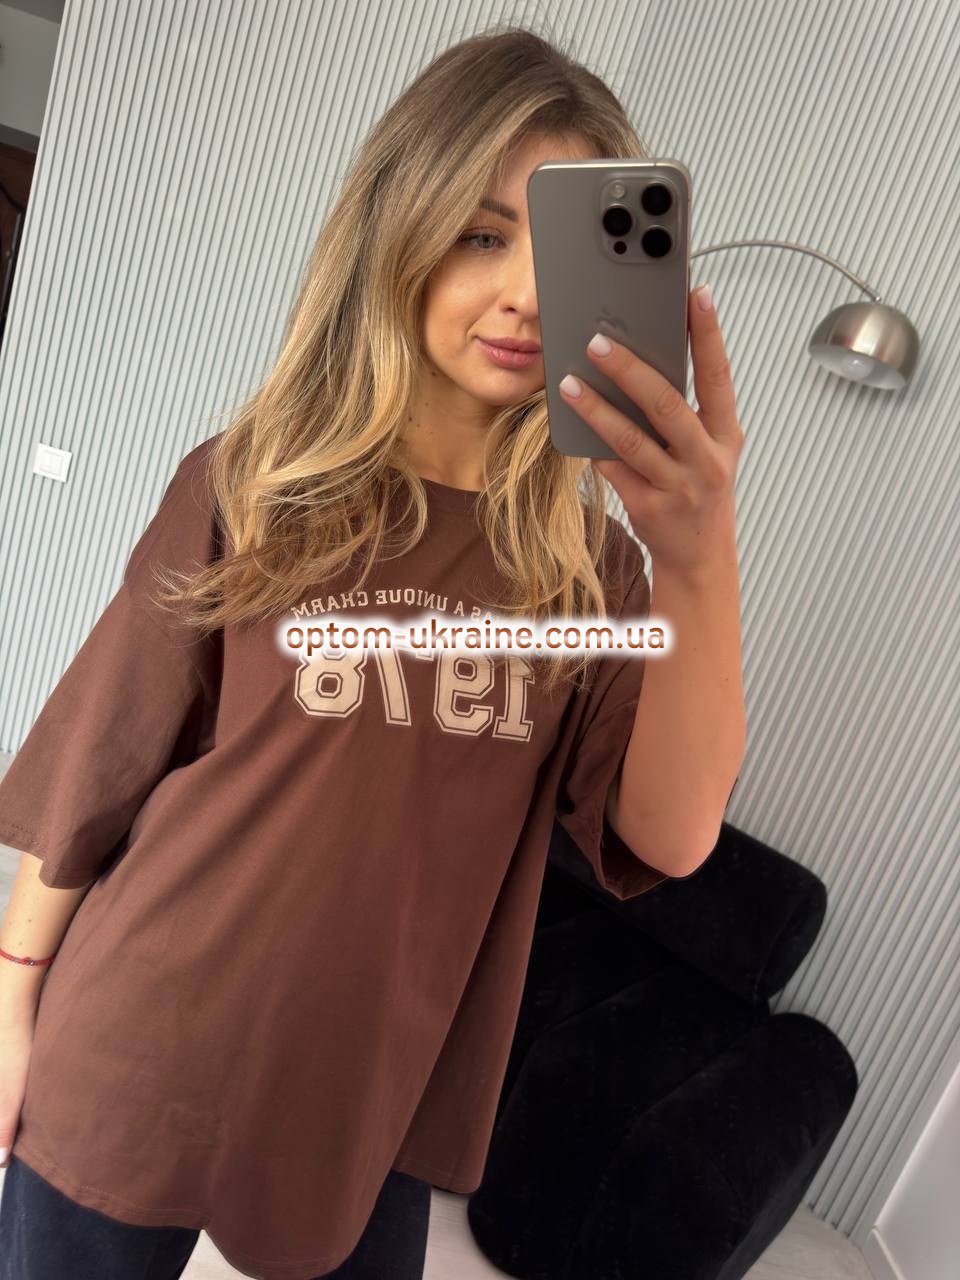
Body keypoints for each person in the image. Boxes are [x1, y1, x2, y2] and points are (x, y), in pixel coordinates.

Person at [0, 23, 745, 1280]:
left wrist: (699, 555)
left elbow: (669, 837)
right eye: (482, 234)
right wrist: (11, 1000)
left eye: (558, 251)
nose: (525, 292)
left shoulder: (594, 571)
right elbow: (101, 766)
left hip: (378, 1092)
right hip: (140, 1033)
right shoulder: (255, 484)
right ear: (400, 227)